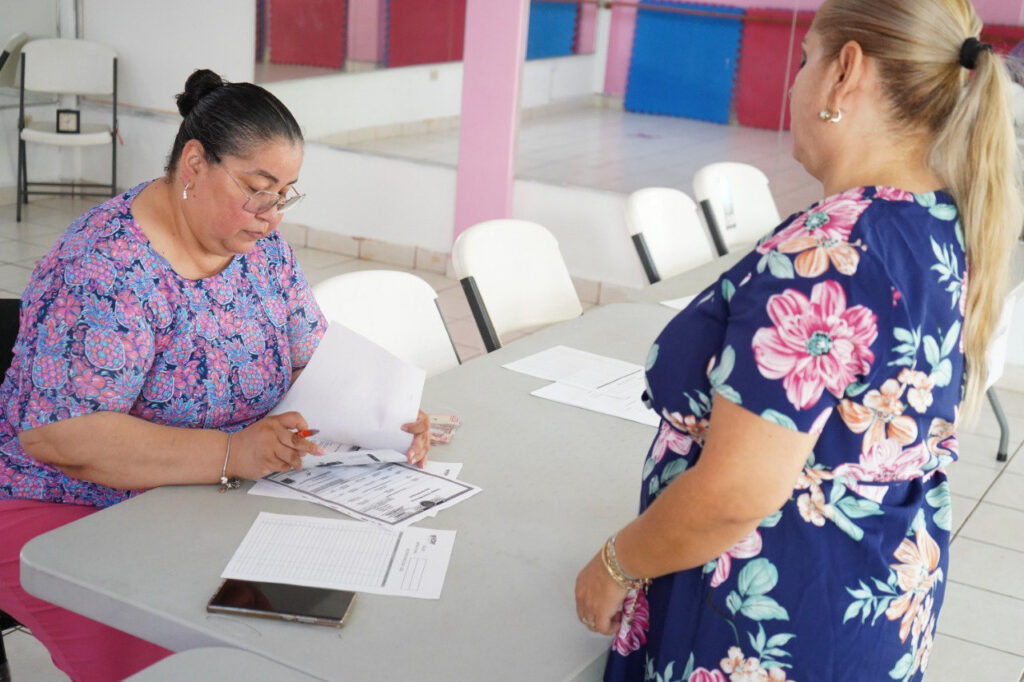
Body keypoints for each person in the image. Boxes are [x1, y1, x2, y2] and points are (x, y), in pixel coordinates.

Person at [575, 1, 1022, 680]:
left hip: (765, 625)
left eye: (807, 58)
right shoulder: (935, 221)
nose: (794, 83)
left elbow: (735, 492)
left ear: (846, 74)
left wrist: (616, 562)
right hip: (863, 603)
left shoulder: (828, 252)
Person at [0, 69, 430, 681]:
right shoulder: (105, 266)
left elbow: (315, 355)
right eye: (259, 189)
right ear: (195, 165)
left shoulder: (259, 249)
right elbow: (61, 437)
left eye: (285, 194)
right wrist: (231, 452)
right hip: (59, 507)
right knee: (193, 653)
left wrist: (389, 413)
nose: (272, 215)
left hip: (203, 495)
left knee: (310, 625)